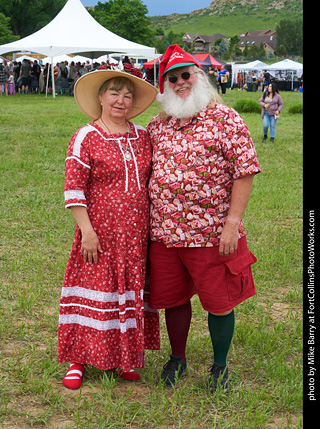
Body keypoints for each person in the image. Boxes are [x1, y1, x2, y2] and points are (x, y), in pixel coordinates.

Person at [146, 45, 261, 393]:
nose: (181, 82)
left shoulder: (225, 118)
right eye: (173, 78)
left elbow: (245, 170)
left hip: (211, 232)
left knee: (219, 301)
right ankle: (177, 358)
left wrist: (232, 222)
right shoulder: (156, 125)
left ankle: (220, 366)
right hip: (165, 232)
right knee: (173, 298)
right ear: (164, 85)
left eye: (186, 75)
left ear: (199, 76)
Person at [58, 69, 160, 390]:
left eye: (127, 95)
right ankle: (78, 360)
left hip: (135, 235)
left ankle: (124, 358)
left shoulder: (143, 135)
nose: (121, 100)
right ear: (101, 98)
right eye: (114, 93)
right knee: (95, 292)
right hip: (99, 233)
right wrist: (86, 231)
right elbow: (74, 188)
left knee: (128, 293)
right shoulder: (87, 136)